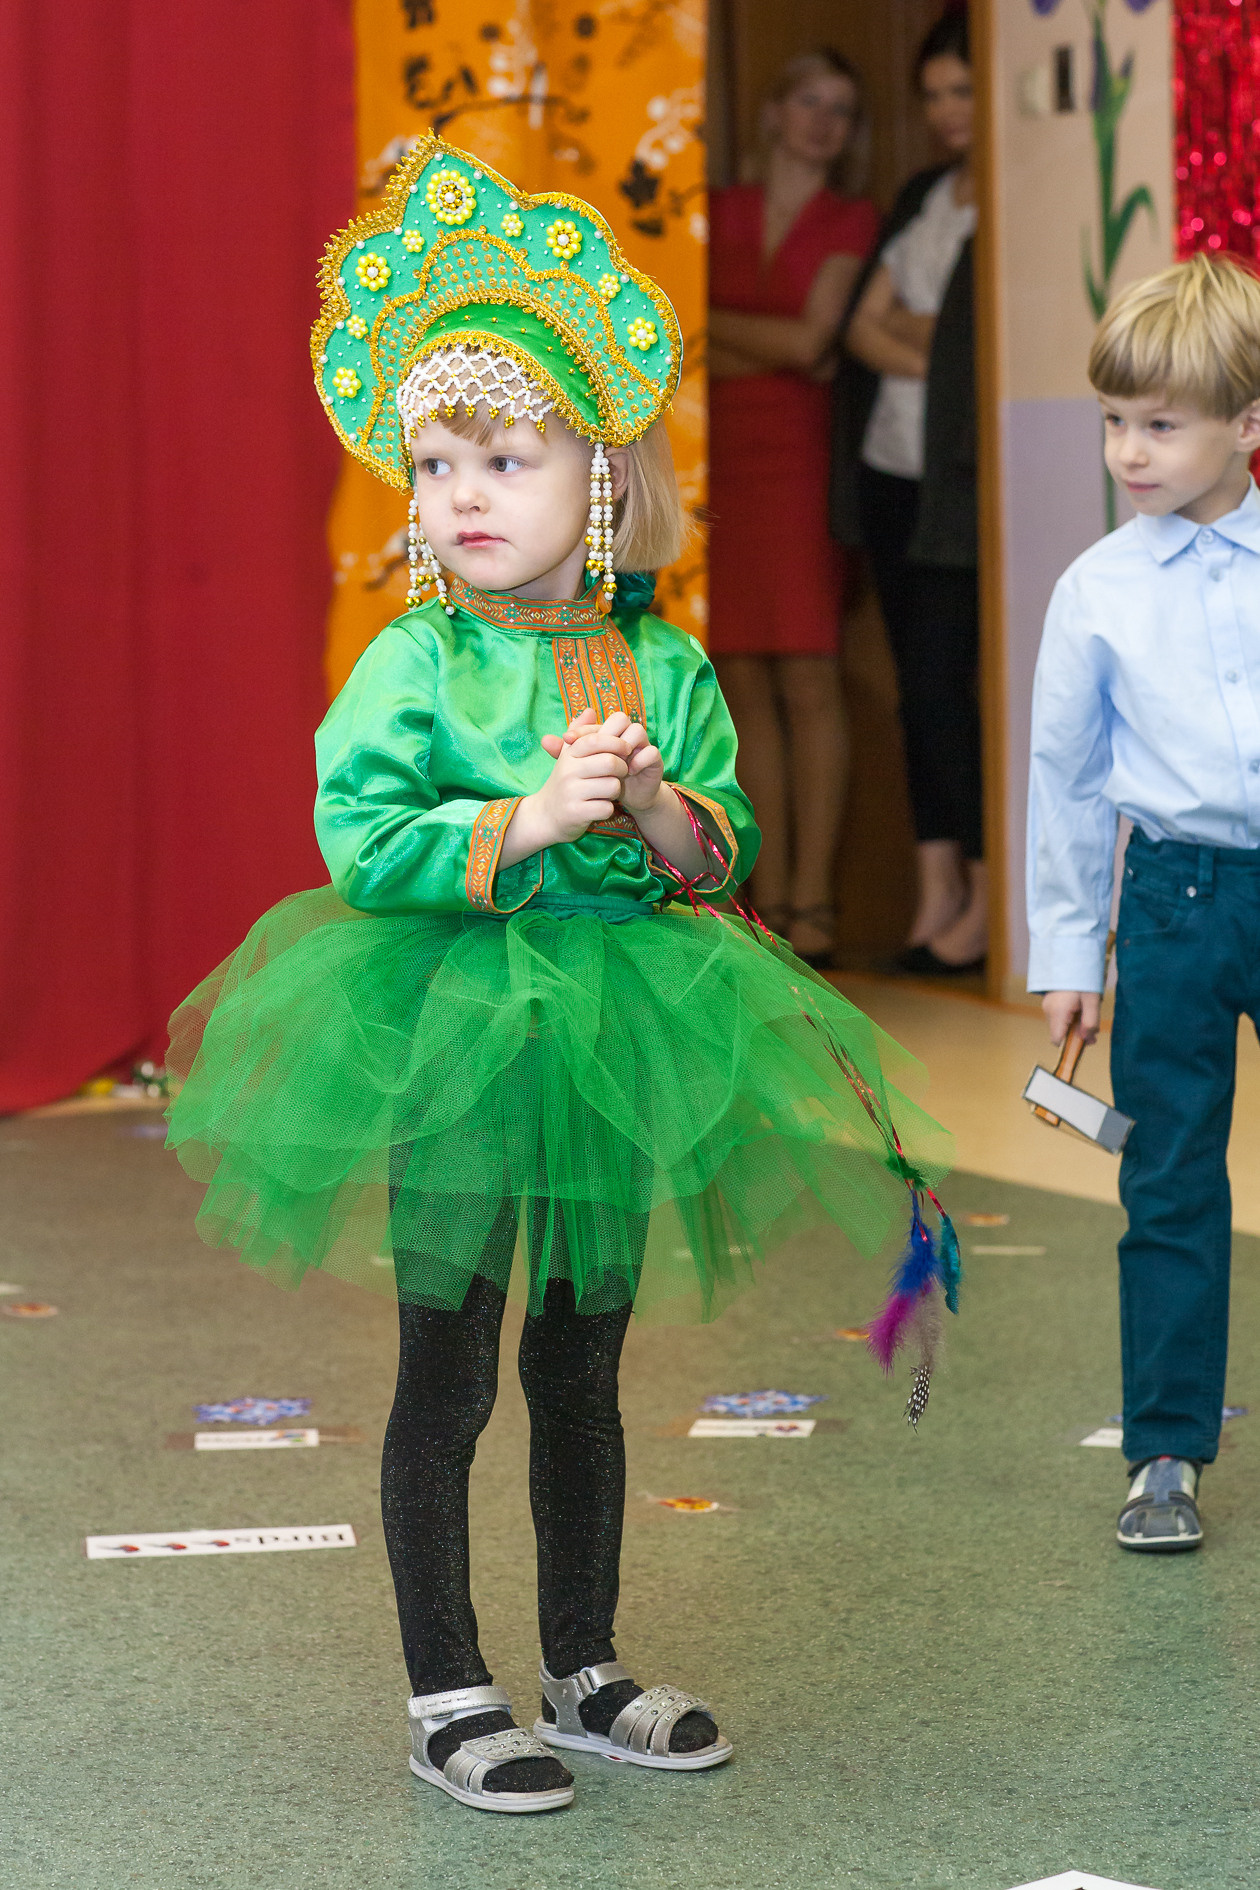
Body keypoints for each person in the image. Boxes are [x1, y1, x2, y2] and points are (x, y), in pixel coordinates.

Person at [166, 134, 955, 1815]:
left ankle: (584, 1663)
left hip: (615, 1028)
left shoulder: (659, 660)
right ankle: (448, 1686)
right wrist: (523, 815)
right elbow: (359, 838)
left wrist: (657, 800)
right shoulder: (411, 659)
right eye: (436, 459)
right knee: (447, 1364)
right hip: (451, 1030)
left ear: (596, 479)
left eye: (504, 458)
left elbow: (717, 852)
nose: (462, 493)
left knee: (583, 1360)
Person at [1027, 253, 1260, 1553]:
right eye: (1115, 420)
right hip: (1168, 900)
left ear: (1247, 425)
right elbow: (1064, 787)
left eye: (1161, 424)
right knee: (1169, 1175)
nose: (1129, 449)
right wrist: (1073, 953)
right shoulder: (1097, 591)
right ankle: (1164, 1450)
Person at [707, 49, 880, 968]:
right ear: (772, 112)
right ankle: (765, 900)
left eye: (842, 110)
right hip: (715, 458)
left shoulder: (853, 218)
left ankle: (814, 898)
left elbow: (814, 344)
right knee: (739, 683)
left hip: (805, 461)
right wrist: (752, 346)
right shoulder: (714, 209)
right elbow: (672, 327)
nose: (823, 122)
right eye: (809, 102)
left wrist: (713, 332)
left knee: (810, 679)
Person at [835, 6, 984, 974]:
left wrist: (924, 335)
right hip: (891, 474)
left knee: (946, 689)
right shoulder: (927, 192)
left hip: (961, 489)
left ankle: (982, 896)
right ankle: (936, 892)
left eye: (960, 91)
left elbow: (983, 347)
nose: (943, 113)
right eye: (931, 94)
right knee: (911, 692)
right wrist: (934, 339)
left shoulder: (1003, 200)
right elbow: (862, 329)